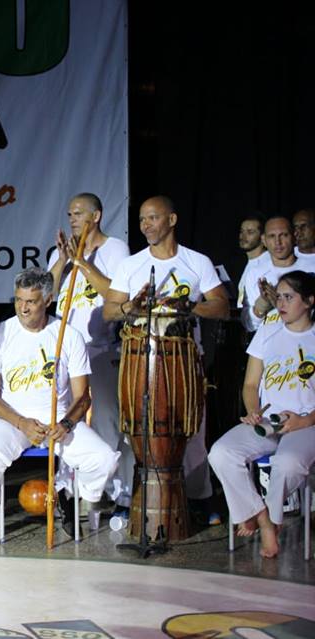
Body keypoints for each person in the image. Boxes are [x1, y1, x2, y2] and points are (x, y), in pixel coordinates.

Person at [0, 268, 119, 539]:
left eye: (31, 301)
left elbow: (83, 397)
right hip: (11, 421)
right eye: (18, 300)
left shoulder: (68, 336)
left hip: (58, 420)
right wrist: (22, 423)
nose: (23, 308)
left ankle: (68, 495)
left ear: (48, 300)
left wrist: (67, 423)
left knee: (104, 460)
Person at [103, 195, 229, 507]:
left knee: (191, 433)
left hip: (183, 358)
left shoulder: (196, 261)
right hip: (141, 359)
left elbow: (222, 306)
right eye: (142, 220)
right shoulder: (131, 265)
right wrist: (130, 307)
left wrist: (190, 306)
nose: (145, 225)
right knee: (140, 432)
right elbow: (108, 312)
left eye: (153, 218)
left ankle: (198, 499)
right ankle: (138, 501)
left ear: (171, 220)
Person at [209, 270, 315, 558]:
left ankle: (272, 519)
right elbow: (250, 385)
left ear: (309, 301)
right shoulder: (268, 330)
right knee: (221, 452)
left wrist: (305, 420)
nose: (280, 303)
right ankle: (263, 519)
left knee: (288, 463)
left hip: (307, 423)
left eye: (289, 297)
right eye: (278, 297)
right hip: (269, 421)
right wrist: (253, 411)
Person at [47, 192, 134, 516]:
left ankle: (117, 492)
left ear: (96, 216)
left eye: (78, 213)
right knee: (66, 420)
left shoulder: (115, 249)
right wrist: (62, 260)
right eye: (70, 214)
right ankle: (70, 491)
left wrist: (83, 263)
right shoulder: (64, 253)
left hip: (102, 347)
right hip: (66, 351)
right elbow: (47, 294)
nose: (72, 219)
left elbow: (117, 294)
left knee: (108, 420)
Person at [241, 217, 315, 331]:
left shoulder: (311, 269)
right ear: (264, 240)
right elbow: (248, 325)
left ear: (294, 236)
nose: (278, 242)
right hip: (268, 340)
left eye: (283, 235)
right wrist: (261, 306)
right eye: (272, 236)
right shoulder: (254, 274)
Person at [235, 214, 269, 332]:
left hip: (261, 330)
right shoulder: (250, 264)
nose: (243, 236)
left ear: (262, 237)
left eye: (250, 232)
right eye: (242, 231)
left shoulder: (268, 263)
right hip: (247, 329)